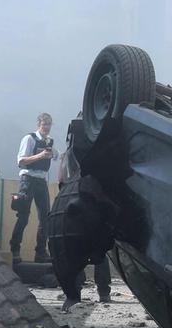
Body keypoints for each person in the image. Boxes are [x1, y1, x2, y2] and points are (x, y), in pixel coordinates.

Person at [56, 114, 112, 309]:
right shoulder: (104, 148)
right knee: (98, 252)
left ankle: (75, 295)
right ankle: (101, 293)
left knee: (76, 253)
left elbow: (62, 184)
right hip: (92, 208)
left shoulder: (70, 155)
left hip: (79, 210)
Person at [10, 112, 55, 265]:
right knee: (23, 216)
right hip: (28, 179)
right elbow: (21, 161)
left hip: (41, 180)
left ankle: (41, 252)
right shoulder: (29, 139)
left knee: (45, 217)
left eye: (49, 125)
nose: (47, 128)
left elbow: (57, 155)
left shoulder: (49, 142)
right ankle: (15, 250)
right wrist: (40, 156)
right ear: (38, 125)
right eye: (44, 125)